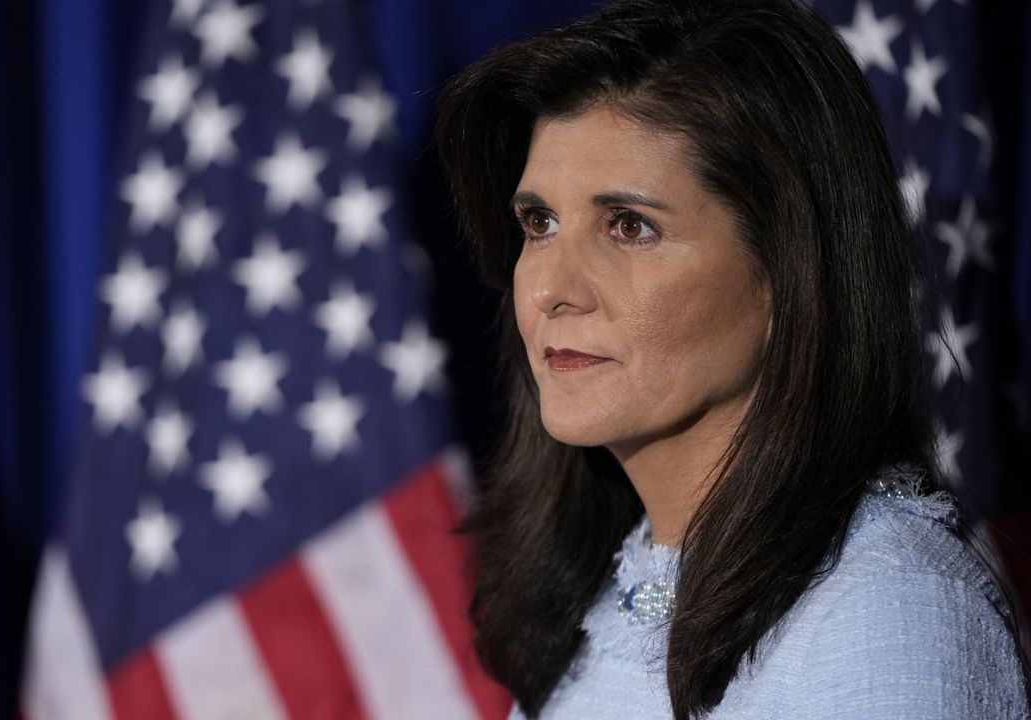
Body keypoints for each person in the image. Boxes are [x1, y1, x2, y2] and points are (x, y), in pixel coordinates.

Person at [432, 0, 1029, 717]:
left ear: (788, 271)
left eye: (629, 226)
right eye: (540, 223)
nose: (552, 289)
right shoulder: (606, 580)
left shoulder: (885, 613)